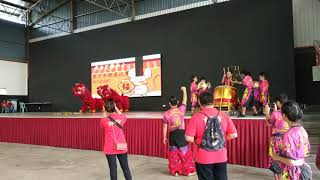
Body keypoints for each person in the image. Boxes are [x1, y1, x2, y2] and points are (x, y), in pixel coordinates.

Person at [185, 91, 238, 180]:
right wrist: (220, 139)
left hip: (203, 157)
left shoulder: (196, 117)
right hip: (221, 156)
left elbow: (188, 138)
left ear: (199, 102)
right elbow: (234, 134)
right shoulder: (224, 115)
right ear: (214, 102)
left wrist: (199, 140)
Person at [271, 101, 312, 180]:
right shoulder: (302, 130)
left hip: (294, 173)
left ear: (284, 115)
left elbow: (291, 161)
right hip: (303, 169)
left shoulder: (288, 135)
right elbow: (306, 153)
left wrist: (277, 157)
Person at [163, 86, 196, 176]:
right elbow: (184, 100)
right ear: (177, 102)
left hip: (172, 135)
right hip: (181, 134)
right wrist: (184, 90)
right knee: (184, 152)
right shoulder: (181, 109)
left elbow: (165, 127)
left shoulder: (166, 114)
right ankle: (188, 171)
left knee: (173, 153)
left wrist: (164, 137)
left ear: (169, 103)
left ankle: (176, 171)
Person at [100, 100, 132, 180]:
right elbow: (123, 115)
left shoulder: (103, 120)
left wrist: (104, 112)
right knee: (126, 169)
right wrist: (116, 108)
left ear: (105, 109)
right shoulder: (122, 117)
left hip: (109, 147)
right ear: (114, 107)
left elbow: (103, 122)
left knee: (113, 169)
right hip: (121, 145)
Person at [265, 94, 289, 180]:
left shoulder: (275, 113)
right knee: (286, 160)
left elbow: (268, 123)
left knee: (276, 160)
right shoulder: (290, 112)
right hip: (287, 140)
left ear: (278, 102)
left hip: (277, 140)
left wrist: (267, 113)